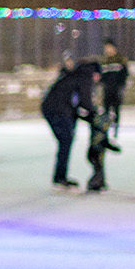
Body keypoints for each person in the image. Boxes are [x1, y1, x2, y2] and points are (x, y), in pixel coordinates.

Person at [41, 55, 98, 190]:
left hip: (52, 108)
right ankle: (60, 177)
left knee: (66, 141)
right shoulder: (85, 77)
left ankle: (60, 176)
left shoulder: (75, 75)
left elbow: (76, 103)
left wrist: (85, 116)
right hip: (57, 110)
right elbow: (85, 102)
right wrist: (93, 115)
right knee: (66, 141)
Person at [98, 38, 129, 137]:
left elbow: (125, 74)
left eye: (109, 47)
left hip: (117, 89)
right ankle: (105, 129)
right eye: (106, 48)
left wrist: (121, 85)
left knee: (116, 109)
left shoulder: (120, 59)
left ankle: (115, 129)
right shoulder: (103, 60)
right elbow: (100, 76)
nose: (107, 50)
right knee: (106, 110)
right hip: (107, 89)